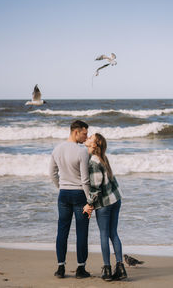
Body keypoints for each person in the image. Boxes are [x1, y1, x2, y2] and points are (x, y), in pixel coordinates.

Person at [50, 120, 91, 279]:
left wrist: (60, 188)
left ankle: (61, 267)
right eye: (84, 133)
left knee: (62, 230)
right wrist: (90, 201)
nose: (86, 137)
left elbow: (52, 174)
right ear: (76, 132)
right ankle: (81, 268)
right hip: (80, 194)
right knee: (82, 232)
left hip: (64, 194)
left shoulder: (57, 149)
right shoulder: (82, 152)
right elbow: (85, 180)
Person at [83, 133, 127, 281]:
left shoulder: (93, 162)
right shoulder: (103, 157)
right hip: (116, 199)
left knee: (104, 234)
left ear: (94, 145)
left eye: (91, 138)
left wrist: (89, 204)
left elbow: (95, 189)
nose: (87, 138)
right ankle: (120, 267)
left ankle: (107, 269)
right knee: (113, 233)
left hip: (105, 204)